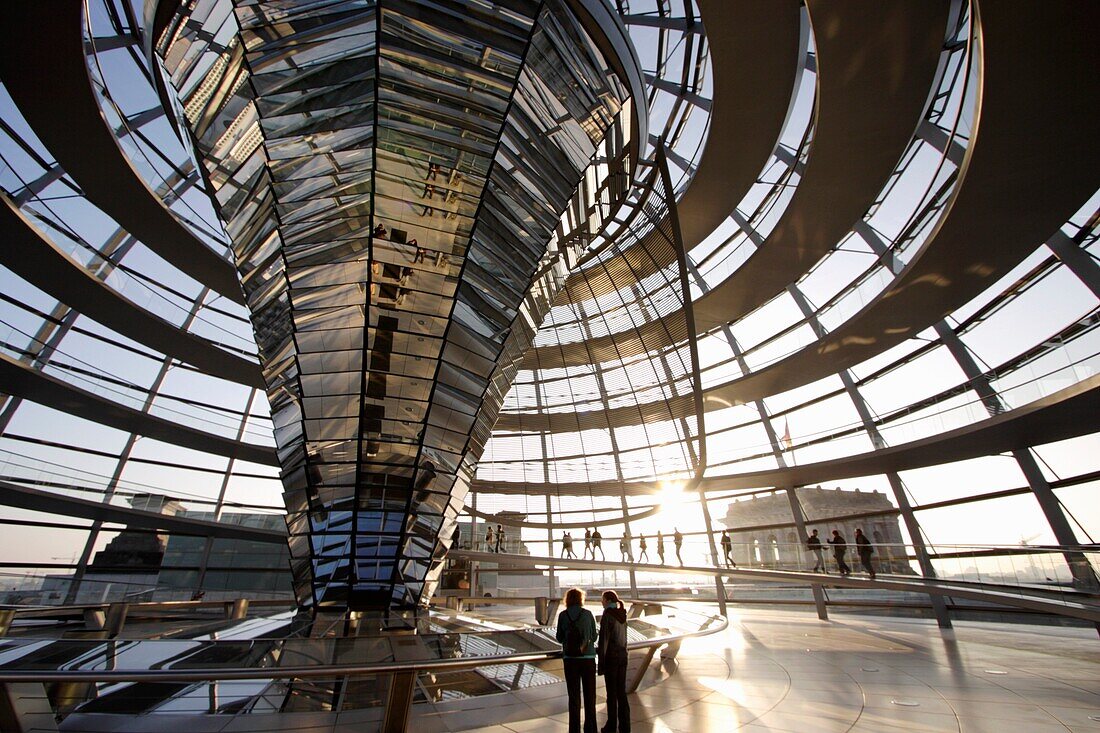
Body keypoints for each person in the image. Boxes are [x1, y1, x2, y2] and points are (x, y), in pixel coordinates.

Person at [556, 588, 599, 733]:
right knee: (590, 695)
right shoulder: (587, 614)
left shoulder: (563, 615)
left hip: (570, 660)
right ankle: (591, 728)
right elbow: (594, 636)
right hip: (587, 659)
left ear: (567, 599)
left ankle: (574, 729)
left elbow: (559, 637)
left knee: (573, 697)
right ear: (581, 599)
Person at [597, 590, 630, 733]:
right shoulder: (622, 614)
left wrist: (601, 663)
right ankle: (625, 726)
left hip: (612, 657)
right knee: (621, 692)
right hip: (623, 655)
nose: (601, 602)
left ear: (607, 600)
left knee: (611, 694)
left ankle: (611, 726)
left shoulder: (607, 615)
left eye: (602, 599)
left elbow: (603, 640)